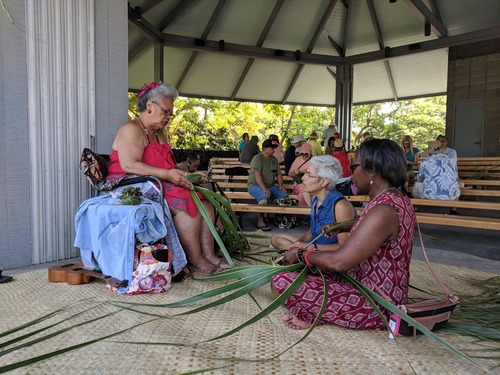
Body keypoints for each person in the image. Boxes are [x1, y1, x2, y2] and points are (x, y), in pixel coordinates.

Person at [272, 138, 415, 330]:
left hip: (376, 302)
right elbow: (380, 232)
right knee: (298, 272)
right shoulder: (397, 199)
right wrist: (346, 226)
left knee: (281, 281)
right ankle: (312, 312)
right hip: (369, 286)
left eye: (353, 166)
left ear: (372, 170)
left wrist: (301, 253)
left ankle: (314, 313)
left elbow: (339, 262)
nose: (350, 174)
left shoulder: (383, 209)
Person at [106, 81, 228, 274]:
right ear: (149, 107)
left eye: (170, 113)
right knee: (185, 200)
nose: (168, 117)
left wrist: (189, 176)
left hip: (158, 180)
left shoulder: (159, 133)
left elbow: (168, 167)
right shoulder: (131, 129)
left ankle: (209, 255)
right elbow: (130, 165)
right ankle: (195, 260)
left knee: (204, 199)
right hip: (133, 182)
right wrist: (169, 175)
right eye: (166, 112)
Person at [271, 155, 357, 251]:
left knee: (284, 244)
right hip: (314, 243)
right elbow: (312, 230)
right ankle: (298, 251)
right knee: (275, 238)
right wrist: (298, 243)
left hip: (325, 252)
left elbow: (343, 248)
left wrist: (310, 248)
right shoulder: (316, 199)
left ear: (324, 182)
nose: (303, 178)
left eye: (309, 174)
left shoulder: (340, 206)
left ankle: (300, 253)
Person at [248, 139, 288, 231]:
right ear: (265, 149)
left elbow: (278, 174)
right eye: (272, 148)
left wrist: (281, 186)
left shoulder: (274, 159)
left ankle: (273, 216)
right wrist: (264, 188)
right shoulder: (257, 158)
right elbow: (257, 175)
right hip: (255, 185)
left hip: (270, 186)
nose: (274, 150)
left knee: (284, 196)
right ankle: (260, 221)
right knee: (264, 198)